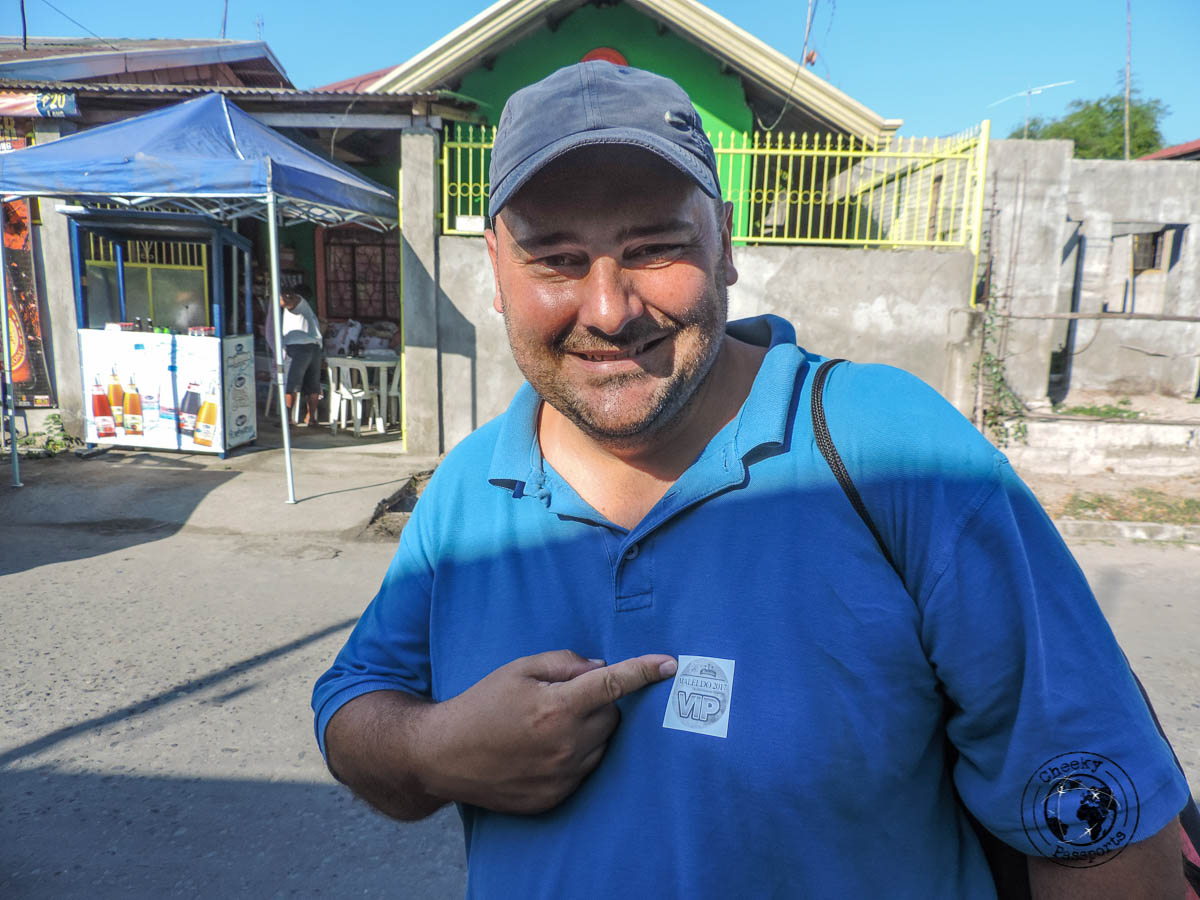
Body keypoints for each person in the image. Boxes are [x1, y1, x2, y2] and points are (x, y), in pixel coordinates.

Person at [312, 63, 1190, 897]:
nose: (611, 311)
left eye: (656, 248)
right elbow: (352, 704)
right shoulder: (467, 490)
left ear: (726, 246)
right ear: (497, 272)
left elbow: (1095, 815)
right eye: (556, 260)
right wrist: (430, 751)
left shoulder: (889, 448)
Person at [268, 284, 323, 427]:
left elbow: (286, 302)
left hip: (298, 348)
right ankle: (311, 419)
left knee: (290, 384)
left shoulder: (298, 302)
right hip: (315, 348)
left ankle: (288, 420)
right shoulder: (308, 311)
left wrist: (277, 294)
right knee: (312, 385)